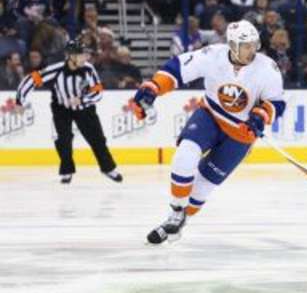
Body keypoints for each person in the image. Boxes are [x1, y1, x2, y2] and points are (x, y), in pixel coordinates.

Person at [132, 20, 286, 244]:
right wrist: (153, 88)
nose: (252, 50)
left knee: (201, 190)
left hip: (241, 134)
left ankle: (175, 223)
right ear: (232, 45)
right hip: (211, 116)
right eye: (246, 46)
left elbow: (276, 103)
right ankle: (176, 211)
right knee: (185, 154)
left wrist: (260, 116)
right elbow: (177, 68)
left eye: (254, 44)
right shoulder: (212, 55)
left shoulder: (267, 68)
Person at [15, 39, 123, 184]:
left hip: (85, 109)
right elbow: (31, 80)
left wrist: (83, 100)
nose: (86, 57)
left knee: (98, 139)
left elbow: (98, 92)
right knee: (63, 140)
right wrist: (19, 101)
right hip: (61, 109)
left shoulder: (88, 69)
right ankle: (67, 171)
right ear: (71, 56)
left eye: (86, 55)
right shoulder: (56, 70)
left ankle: (108, 168)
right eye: (82, 55)